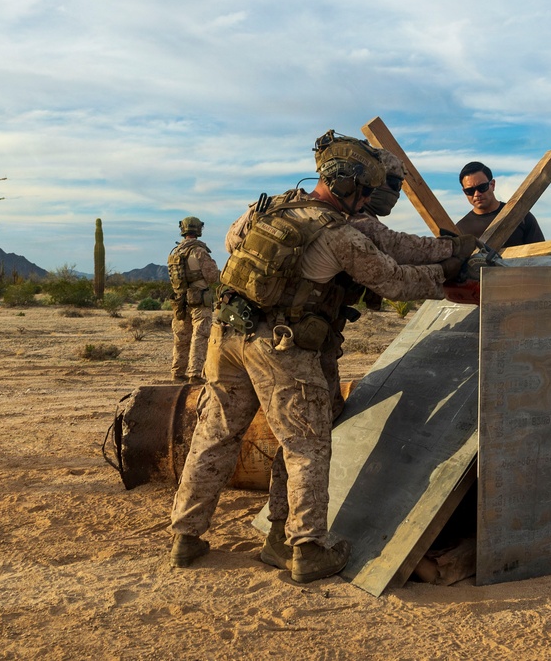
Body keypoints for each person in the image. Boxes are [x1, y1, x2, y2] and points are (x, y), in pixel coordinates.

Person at [168, 131, 469, 583]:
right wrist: (447, 269)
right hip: (283, 346)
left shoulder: (266, 207)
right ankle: (306, 548)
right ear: (350, 186)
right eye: (366, 191)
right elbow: (396, 282)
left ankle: (186, 537)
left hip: (225, 334)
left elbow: (233, 245)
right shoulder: (339, 233)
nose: (369, 200)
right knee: (306, 445)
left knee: (215, 434)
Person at [321, 148, 476, 419]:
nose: (392, 193)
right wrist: (448, 258)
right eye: (390, 184)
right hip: (295, 342)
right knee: (313, 428)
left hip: (241, 331)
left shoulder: (297, 209)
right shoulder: (348, 222)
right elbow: (396, 267)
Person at [167, 216, 219, 384]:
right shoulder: (199, 251)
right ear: (198, 229)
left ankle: (177, 372)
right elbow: (212, 277)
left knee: (181, 338)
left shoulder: (175, 252)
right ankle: (195, 374)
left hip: (180, 301)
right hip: (199, 300)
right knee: (200, 336)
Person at [455, 161, 545, 247]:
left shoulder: (520, 215)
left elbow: (543, 255)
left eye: (482, 187)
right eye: (470, 191)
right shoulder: (460, 230)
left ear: (492, 185)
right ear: (464, 191)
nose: (477, 194)